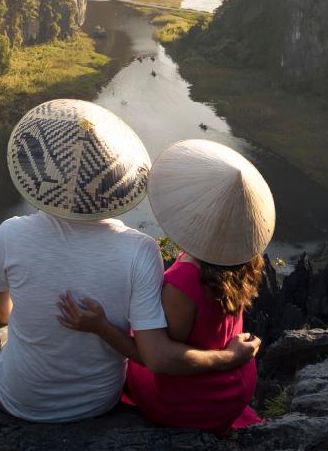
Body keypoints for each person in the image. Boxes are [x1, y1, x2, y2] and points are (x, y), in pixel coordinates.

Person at [0, 100, 261, 423]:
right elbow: (151, 347)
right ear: (115, 181)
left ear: (43, 176)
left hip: (20, 399)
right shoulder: (141, 250)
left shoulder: (12, 233)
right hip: (101, 401)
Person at [56, 139, 275, 433]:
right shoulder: (242, 259)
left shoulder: (184, 281)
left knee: (131, 346)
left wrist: (100, 327)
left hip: (193, 400)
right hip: (236, 387)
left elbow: (158, 359)